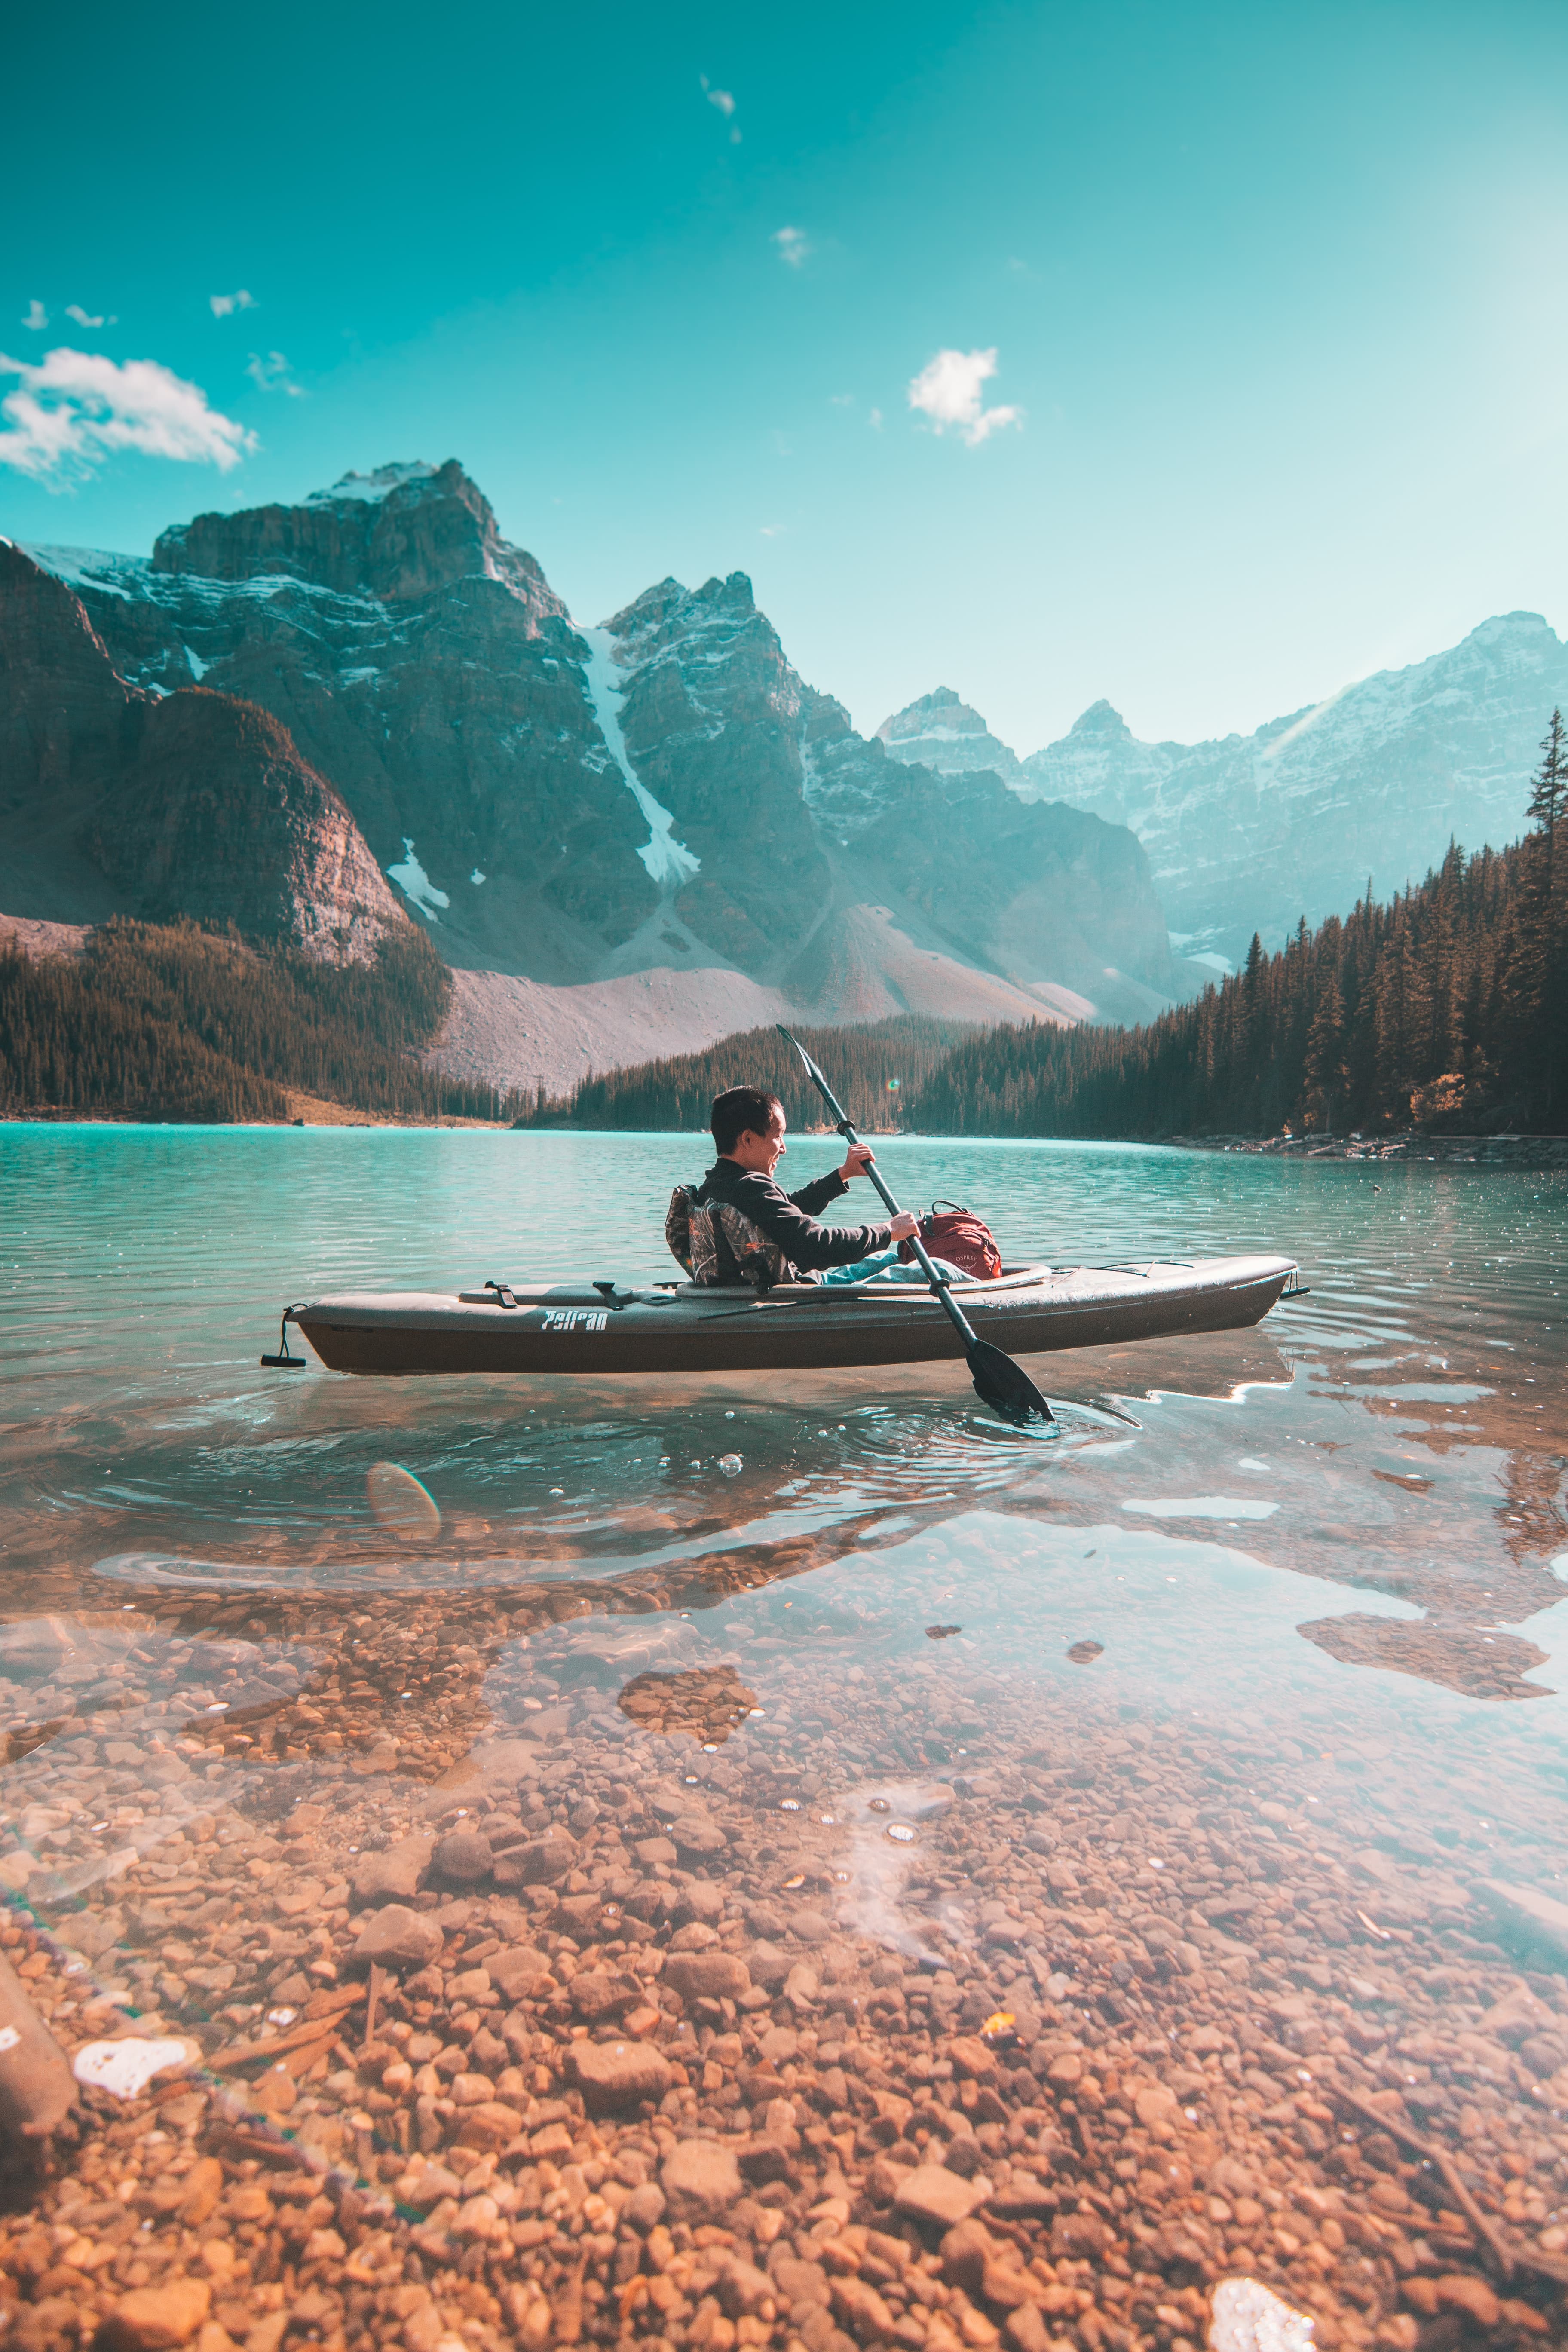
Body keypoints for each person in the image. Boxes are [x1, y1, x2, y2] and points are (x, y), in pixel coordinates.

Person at [676, 1084, 917, 1289]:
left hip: (754, 1292)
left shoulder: (717, 1185)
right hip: (799, 1295)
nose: (783, 1148)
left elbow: (782, 1214)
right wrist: (887, 1231)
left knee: (891, 1258)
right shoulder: (751, 1187)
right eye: (778, 1136)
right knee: (934, 1267)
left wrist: (843, 1175)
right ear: (748, 1139)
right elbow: (816, 1246)